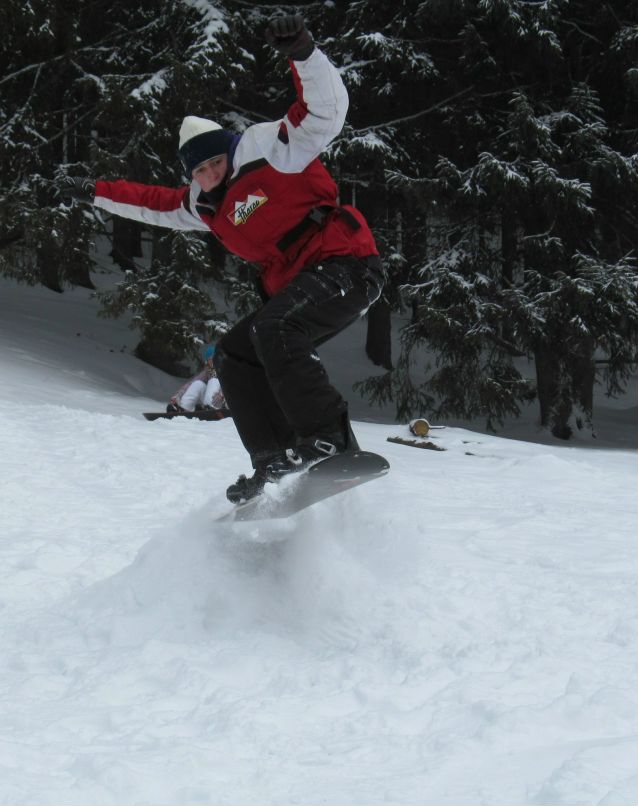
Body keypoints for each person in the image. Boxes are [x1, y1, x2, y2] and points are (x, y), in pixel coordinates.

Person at [57, 14, 384, 504]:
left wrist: (303, 53)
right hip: (301, 282)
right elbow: (154, 203)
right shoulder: (204, 205)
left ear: (228, 151)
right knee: (234, 352)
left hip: (346, 264)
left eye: (215, 160)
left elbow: (322, 112)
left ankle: (330, 440)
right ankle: (274, 458)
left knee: (274, 328)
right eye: (201, 170)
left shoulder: (269, 150)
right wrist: (94, 193)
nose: (211, 172)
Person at [167, 345, 229, 416]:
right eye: (209, 359)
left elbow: (233, 386)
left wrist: (222, 395)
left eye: (213, 358)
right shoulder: (208, 371)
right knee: (198, 383)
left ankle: (211, 409)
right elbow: (191, 383)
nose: (211, 361)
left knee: (214, 381)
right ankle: (183, 408)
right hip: (213, 400)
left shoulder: (226, 369)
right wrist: (177, 395)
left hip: (226, 404)